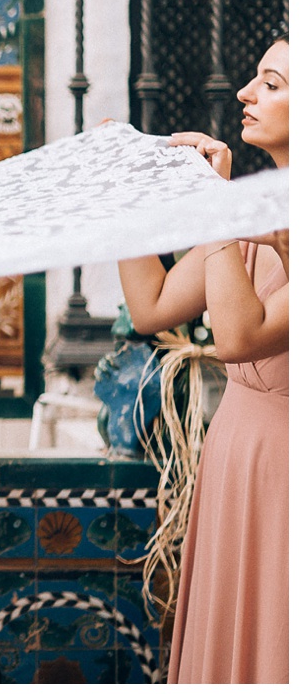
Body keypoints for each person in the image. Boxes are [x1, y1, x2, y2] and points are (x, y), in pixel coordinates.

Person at [117, 35, 288, 684]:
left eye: (271, 84)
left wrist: (216, 211)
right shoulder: (253, 208)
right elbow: (151, 304)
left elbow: (239, 338)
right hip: (233, 455)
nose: (245, 93)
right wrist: (125, 194)